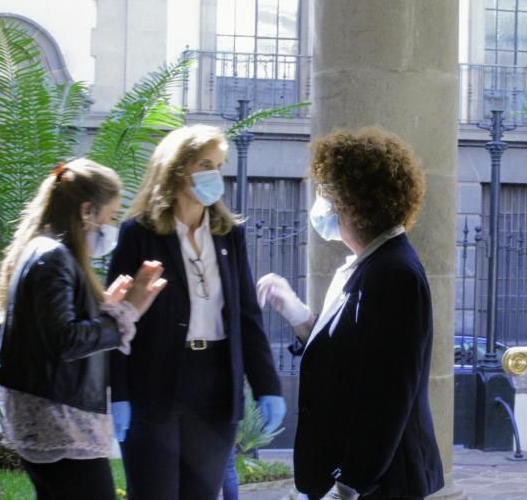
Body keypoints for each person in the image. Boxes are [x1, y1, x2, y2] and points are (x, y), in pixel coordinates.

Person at [257, 127, 444, 499]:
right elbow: (350, 357)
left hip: (379, 484)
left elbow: (389, 396)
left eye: (326, 193)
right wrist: (299, 317)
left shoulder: (394, 274)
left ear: (354, 202)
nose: (320, 203)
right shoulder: (368, 263)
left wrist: (348, 486)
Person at [107, 124, 286, 499]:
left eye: (219, 165)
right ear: (177, 168)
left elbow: (247, 316)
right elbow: (118, 316)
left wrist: (268, 385)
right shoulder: (139, 234)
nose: (215, 174)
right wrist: (119, 391)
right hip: (155, 382)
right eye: (206, 163)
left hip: (215, 383)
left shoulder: (227, 235)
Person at [0, 158, 167, 500]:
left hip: (50, 409)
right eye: (111, 216)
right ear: (87, 210)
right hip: (57, 414)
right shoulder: (53, 256)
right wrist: (125, 313)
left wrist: (104, 308)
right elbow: (64, 339)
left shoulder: (44, 250)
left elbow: (53, 328)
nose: (112, 225)